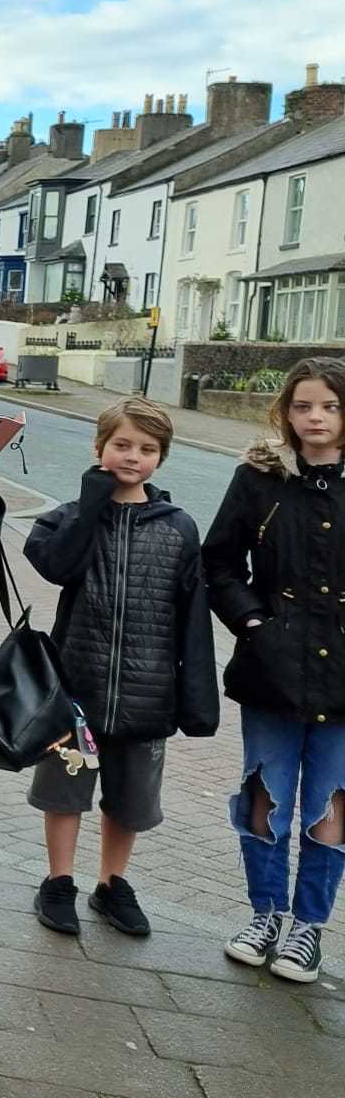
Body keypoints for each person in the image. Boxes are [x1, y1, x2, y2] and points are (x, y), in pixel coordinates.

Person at [24, 398, 217, 939]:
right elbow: (56, 565)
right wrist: (91, 504)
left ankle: (112, 883)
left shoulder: (179, 527)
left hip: (148, 692)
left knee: (130, 803)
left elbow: (192, 618)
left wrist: (195, 697)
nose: (133, 457)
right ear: (100, 448)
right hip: (75, 690)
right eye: (122, 445)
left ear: (162, 457)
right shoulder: (69, 516)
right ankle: (58, 880)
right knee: (65, 792)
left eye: (148, 449)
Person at [203, 357, 345, 983]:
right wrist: (255, 625)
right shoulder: (260, 479)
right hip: (273, 671)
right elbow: (219, 564)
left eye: (332, 406)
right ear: (285, 412)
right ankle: (265, 913)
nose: (316, 418)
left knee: (330, 803)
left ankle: (308, 928)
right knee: (266, 793)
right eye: (304, 406)